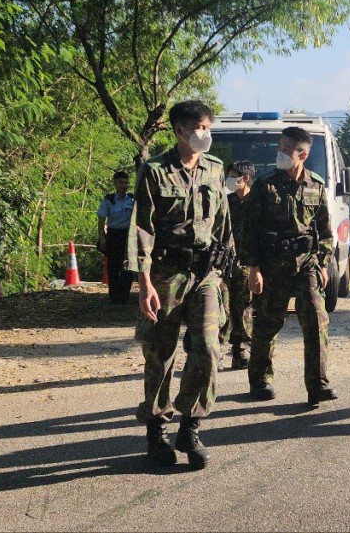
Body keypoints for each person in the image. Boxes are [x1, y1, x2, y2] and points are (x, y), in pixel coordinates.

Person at [126, 99, 233, 470]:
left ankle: (191, 426)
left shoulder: (215, 169)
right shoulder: (155, 171)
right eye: (200, 128)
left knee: (208, 349)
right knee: (161, 354)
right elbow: (141, 227)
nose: (206, 134)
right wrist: (144, 281)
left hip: (205, 276)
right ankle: (156, 430)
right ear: (181, 131)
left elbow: (223, 222)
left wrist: (225, 271)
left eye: (209, 127)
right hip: (165, 275)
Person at [241, 126, 337, 407]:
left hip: (306, 264)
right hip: (272, 264)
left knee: (317, 321)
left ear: (302, 154)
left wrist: (322, 264)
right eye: (279, 148)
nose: (280, 153)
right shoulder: (265, 184)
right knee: (269, 324)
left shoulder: (316, 185)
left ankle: (317, 384)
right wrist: (253, 268)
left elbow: (325, 231)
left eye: (286, 149)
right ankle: (260, 379)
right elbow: (249, 229)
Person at [222, 159, 256, 370]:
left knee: (242, 307)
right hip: (225, 263)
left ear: (245, 178)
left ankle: (240, 349)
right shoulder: (225, 202)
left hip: (248, 263)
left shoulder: (258, 202)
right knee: (222, 307)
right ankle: (215, 350)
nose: (229, 179)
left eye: (234, 175)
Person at [97, 170, 135, 304]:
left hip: (128, 235)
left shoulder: (132, 199)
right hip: (113, 234)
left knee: (128, 266)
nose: (124, 185)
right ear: (115, 183)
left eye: (126, 182)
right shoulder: (109, 200)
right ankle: (114, 297)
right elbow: (101, 220)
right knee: (113, 266)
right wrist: (102, 238)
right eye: (121, 182)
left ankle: (124, 296)